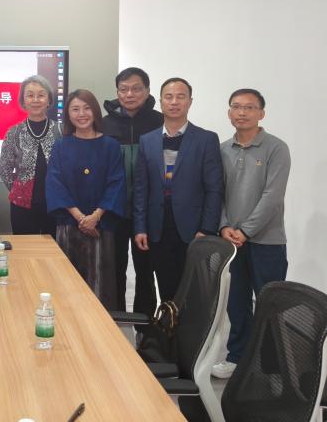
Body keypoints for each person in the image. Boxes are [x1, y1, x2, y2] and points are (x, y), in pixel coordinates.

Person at [211, 88, 291, 379]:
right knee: (237, 304)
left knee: (270, 303)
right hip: (231, 241)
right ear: (229, 112)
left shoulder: (276, 148)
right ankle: (237, 358)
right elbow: (216, 194)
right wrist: (224, 227)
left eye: (249, 107)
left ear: (261, 113)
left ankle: (269, 366)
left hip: (267, 241)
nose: (242, 112)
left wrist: (245, 230)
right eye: (236, 106)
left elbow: (273, 196)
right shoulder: (222, 149)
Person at [134, 77, 223, 304]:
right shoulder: (147, 141)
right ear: (161, 102)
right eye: (169, 97)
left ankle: (188, 329)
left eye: (180, 97)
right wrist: (140, 227)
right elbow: (141, 188)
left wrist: (207, 229)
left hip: (193, 230)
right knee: (166, 290)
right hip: (158, 227)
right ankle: (168, 327)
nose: (174, 102)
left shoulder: (206, 139)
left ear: (190, 102)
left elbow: (214, 189)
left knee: (194, 293)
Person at [46, 89, 126, 310]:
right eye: (75, 109)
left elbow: (116, 183)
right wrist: (81, 218)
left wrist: (95, 217)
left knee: (101, 285)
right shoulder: (61, 146)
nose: (81, 114)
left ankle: (100, 329)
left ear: (95, 111)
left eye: (86, 108)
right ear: (68, 114)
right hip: (69, 225)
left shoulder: (110, 145)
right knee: (67, 285)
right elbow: (55, 183)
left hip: (102, 226)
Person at [103, 67, 164, 312]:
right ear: (117, 92)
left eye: (136, 89)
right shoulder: (104, 124)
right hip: (113, 210)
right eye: (124, 89)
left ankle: (146, 325)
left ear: (147, 91)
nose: (130, 94)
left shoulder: (159, 122)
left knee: (146, 270)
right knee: (113, 269)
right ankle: (114, 320)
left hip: (147, 211)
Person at [0, 75, 61, 235]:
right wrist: (19, 190)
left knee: (53, 248)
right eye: (30, 95)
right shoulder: (14, 132)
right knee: (25, 248)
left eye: (41, 95)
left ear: (49, 100)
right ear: (23, 100)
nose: (35, 100)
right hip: (22, 206)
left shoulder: (61, 130)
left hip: (56, 203)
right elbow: (5, 169)